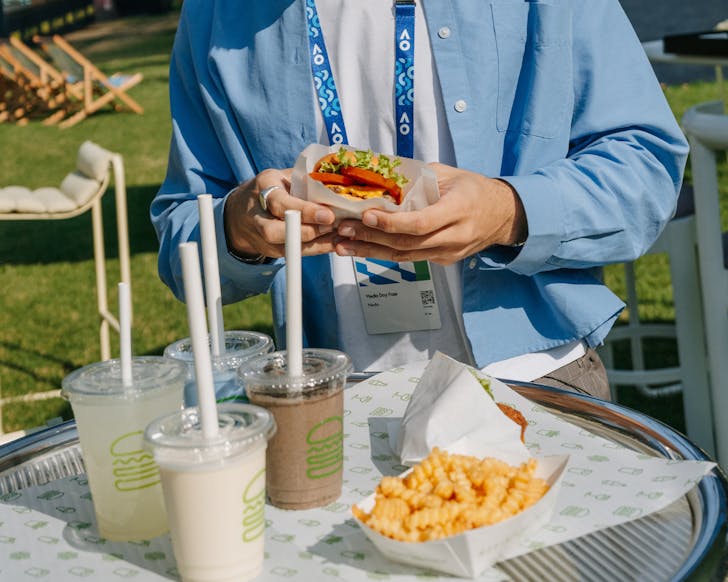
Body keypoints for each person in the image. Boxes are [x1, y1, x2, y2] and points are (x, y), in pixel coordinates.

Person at [152, 0, 688, 400]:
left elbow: (645, 166)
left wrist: (507, 212)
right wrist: (238, 232)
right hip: (329, 397)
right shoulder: (215, 15)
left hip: (537, 380)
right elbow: (183, 227)